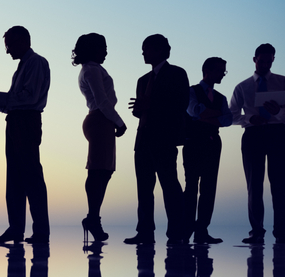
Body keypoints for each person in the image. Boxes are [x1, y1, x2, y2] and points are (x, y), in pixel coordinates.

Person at [0, 26, 50, 244]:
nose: (8, 51)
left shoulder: (36, 63)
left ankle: (39, 231)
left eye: (9, 46)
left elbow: (28, 98)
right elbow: (14, 100)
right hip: (17, 122)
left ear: (22, 41)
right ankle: (16, 228)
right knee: (15, 178)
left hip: (27, 122)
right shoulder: (22, 67)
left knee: (30, 176)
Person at [124, 34, 190, 246]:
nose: (143, 53)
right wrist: (139, 109)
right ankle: (145, 231)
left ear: (160, 50)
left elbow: (180, 104)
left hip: (165, 139)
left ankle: (177, 232)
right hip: (143, 139)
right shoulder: (143, 80)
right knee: (143, 188)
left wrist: (149, 106)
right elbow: (140, 112)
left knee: (169, 185)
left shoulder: (177, 74)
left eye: (147, 49)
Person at [229, 43, 285, 244]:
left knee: (281, 184)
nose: (266, 63)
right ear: (254, 59)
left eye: (269, 60)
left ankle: (281, 232)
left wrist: (278, 112)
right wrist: (249, 120)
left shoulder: (284, 82)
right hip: (253, 135)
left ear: (273, 60)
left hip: (278, 133)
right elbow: (231, 116)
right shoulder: (242, 87)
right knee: (254, 185)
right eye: (262, 60)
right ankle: (257, 231)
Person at [72, 33, 126, 243]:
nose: (106, 51)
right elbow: (102, 101)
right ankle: (93, 218)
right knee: (98, 170)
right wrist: (119, 122)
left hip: (101, 120)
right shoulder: (92, 70)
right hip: (100, 120)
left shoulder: (92, 69)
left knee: (103, 171)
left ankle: (93, 217)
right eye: (103, 47)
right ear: (93, 49)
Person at [183, 57, 232, 245]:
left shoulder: (221, 97)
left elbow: (228, 120)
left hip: (213, 143)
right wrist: (216, 115)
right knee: (191, 186)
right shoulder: (191, 91)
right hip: (193, 142)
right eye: (221, 71)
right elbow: (194, 111)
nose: (223, 74)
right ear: (208, 71)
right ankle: (186, 230)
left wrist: (205, 115)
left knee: (209, 187)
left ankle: (202, 230)